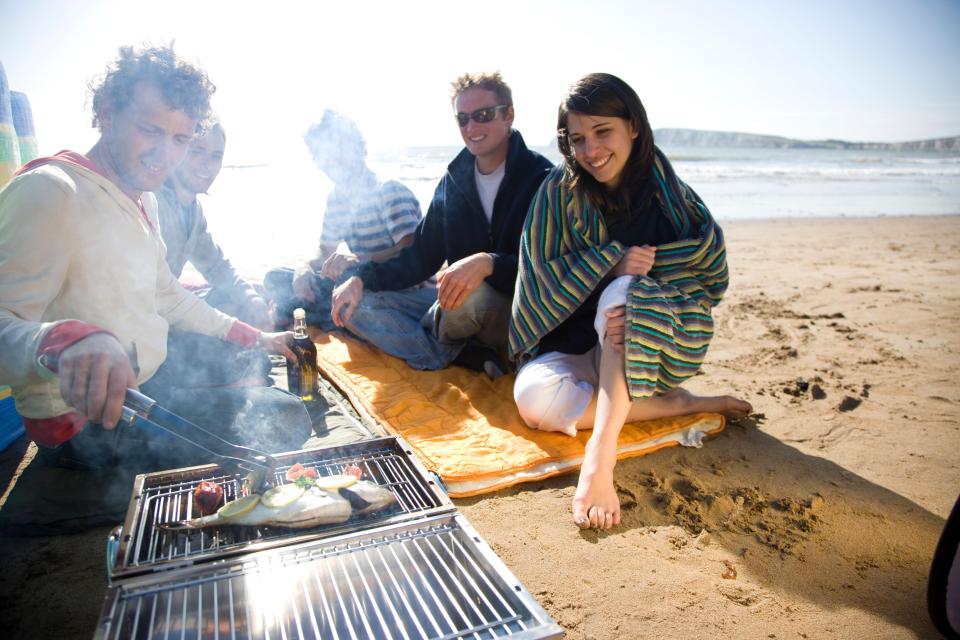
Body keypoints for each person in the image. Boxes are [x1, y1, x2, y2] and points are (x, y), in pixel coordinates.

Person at [0, 45, 311, 476]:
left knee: (268, 388)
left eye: (181, 139)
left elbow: (169, 297)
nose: (166, 154)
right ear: (107, 112)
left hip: (149, 385)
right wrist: (65, 341)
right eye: (150, 130)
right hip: (87, 427)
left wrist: (257, 337)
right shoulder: (52, 191)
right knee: (284, 416)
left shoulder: (143, 197)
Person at [508, 73, 751, 530]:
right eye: (578, 139)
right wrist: (610, 264)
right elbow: (538, 276)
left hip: (640, 341)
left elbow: (706, 267)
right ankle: (682, 404)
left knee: (625, 296)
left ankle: (600, 458)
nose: (591, 150)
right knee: (532, 400)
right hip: (573, 341)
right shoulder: (557, 193)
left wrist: (634, 286)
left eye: (603, 132)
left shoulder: (668, 195)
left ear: (633, 126)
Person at [330, 72, 553, 375]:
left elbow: (553, 271)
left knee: (465, 300)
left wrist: (490, 263)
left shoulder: (542, 179)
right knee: (358, 307)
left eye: (483, 115)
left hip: (517, 311)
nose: (472, 127)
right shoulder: (453, 181)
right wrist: (359, 278)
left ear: (509, 115)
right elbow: (418, 258)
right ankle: (462, 352)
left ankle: (446, 342)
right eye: (463, 119)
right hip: (455, 308)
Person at [263, 110, 423, 331]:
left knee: (361, 307)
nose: (332, 159)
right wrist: (304, 268)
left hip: (398, 288)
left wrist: (358, 259)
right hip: (357, 283)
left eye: (339, 148)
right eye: (322, 153)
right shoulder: (337, 199)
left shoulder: (388, 190)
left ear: (357, 147)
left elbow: (411, 250)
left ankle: (324, 315)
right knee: (276, 278)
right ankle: (326, 314)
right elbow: (325, 250)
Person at [155, 122, 273, 330]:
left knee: (249, 295)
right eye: (197, 151)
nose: (207, 164)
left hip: (169, 306)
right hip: (146, 323)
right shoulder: (152, 203)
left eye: (216, 156)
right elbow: (156, 293)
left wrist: (252, 299)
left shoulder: (192, 210)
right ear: (177, 150)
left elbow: (216, 267)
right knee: (232, 312)